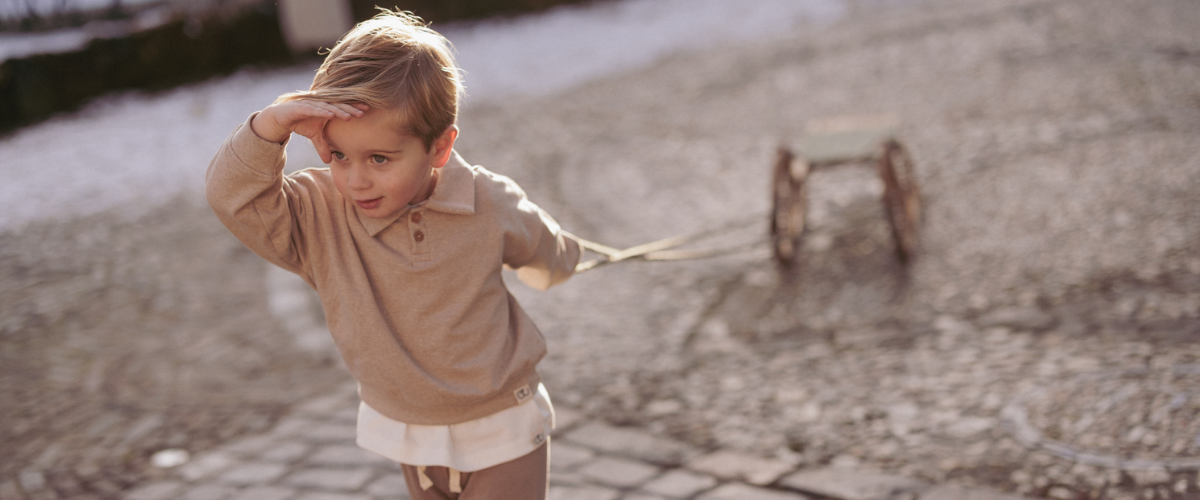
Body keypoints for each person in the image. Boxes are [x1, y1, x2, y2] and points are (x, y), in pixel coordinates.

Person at [205, 9, 580, 499]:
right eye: (340, 155)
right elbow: (232, 197)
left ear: (440, 148)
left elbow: (549, 254)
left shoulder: (488, 200)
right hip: (407, 427)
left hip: (501, 420)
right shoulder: (319, 215)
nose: (356, 179)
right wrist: (268, 127)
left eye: (379, 158)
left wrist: (559, 263)